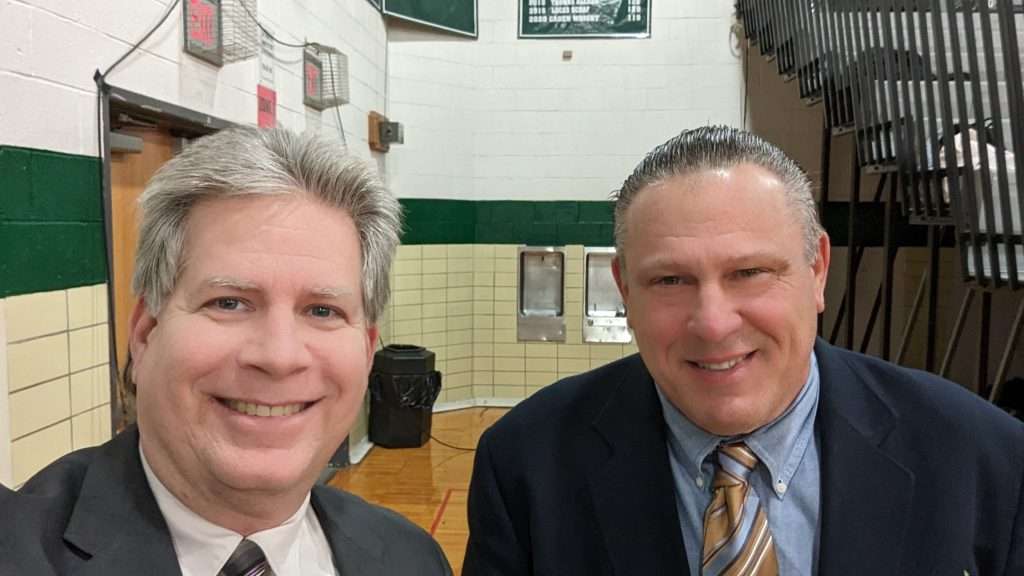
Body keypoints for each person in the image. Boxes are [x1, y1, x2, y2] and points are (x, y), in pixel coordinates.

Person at [463, 126, 1024, 575]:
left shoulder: (985, 458)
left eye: (750, 272)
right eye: (670, 281)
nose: (712, 322)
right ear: (626, 289)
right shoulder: (524, 464)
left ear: (817, 269)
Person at [5, 126, 452, 575]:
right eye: (229, 303)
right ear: (145, 333)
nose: (279, 356)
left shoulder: (412, 558)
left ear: (367, 349)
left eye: (322, 310)